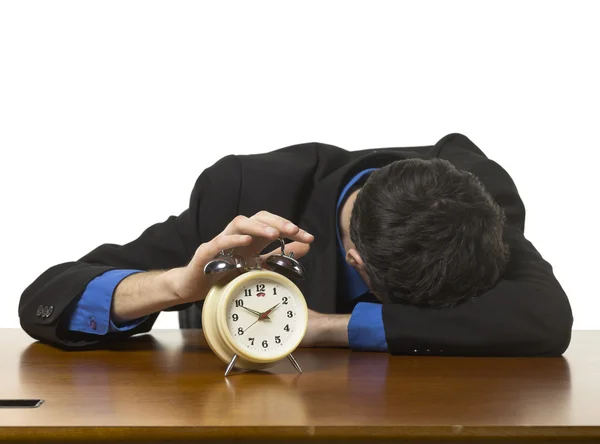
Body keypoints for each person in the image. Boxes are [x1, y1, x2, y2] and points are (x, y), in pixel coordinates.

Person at [18, 133, 573, 355]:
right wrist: (174, 285)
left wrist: (325, 328)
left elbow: (546, 318)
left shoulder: (476, 201)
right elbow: (46, 297)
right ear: (356, 260)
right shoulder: (248, 192)